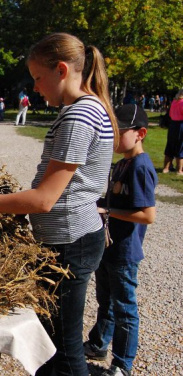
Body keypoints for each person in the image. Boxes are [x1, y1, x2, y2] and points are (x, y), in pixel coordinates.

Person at [0, 33, 118, 376]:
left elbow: (44, 199)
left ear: (61, 70)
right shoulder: (85, 108)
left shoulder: (80, 117)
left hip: (70, 243)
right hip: (71, 239)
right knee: (50, 347)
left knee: (65, 355)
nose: (35, 87)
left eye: (38, 77)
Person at [84, 104, 157, 376]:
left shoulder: (140, 166)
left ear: (140, 133)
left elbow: (148, 215)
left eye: (120, 132)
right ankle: (98, 344)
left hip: (125, 251)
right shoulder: (123, 163)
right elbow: (112, 199)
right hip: (109, 247)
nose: (114, 138)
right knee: (106, 301)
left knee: (125, 308)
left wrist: (108, 211)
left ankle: (122, 364)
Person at [162, 89, 183, 175]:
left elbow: (170, 114)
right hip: (181, 125)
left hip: (173, 124)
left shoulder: (174, 102)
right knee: (181, 146)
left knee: (170, 145)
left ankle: (166, 168)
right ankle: (179, 170)